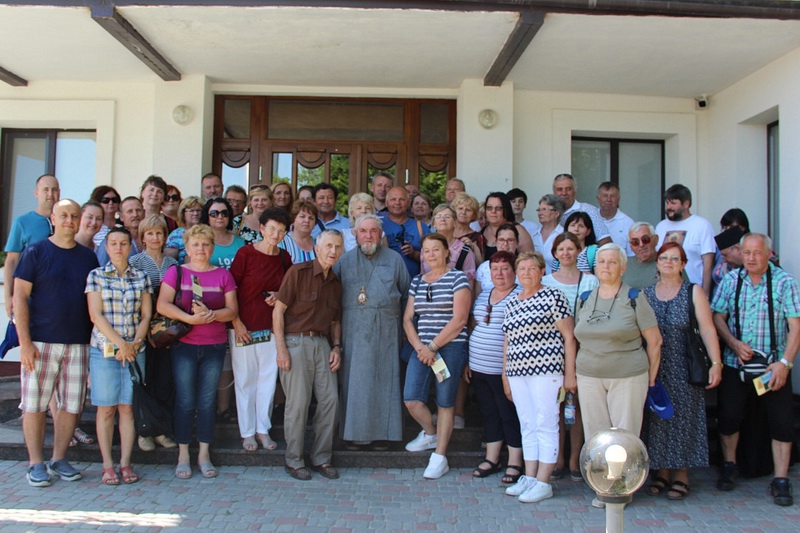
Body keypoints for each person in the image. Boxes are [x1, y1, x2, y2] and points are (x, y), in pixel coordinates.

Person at [14, 199, 99, 487]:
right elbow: (19, 297)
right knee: (34, 405)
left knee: (72, 406)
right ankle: (35, 463)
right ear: (53, 218)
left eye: (74, 216)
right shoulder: (35, 251)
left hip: (78, 343)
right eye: (63, 215)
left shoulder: (88, 258)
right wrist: (25, 343)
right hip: (40, 343)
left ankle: (59, 459)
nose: (69, 220)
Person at [711, 233, 799, 507]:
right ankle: (729, 464)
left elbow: (796, 327)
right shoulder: (731, 280)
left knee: (782, 423)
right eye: (746, 252)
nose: (750, 258)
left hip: (773, 366)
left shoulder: (784, 282)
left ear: (768, 254)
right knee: (729, 417)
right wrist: (734, 344)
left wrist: (784, 363)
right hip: (736, 363)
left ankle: (781, 479)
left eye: (757, 253)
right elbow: (718, 317)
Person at [157, 224, 238, 480]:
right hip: (185, 346)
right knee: (185, 400)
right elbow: (162, 305)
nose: (200, 249)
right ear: (187, 249)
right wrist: (189, 319)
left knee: (206, 401)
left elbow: (232, 311)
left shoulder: (223, 275)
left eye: (205, 244)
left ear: (212, 248)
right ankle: (183, 455)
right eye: (195, 245)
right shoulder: (176, 272)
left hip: (214, 346)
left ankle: (204, 454)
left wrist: (212, 314)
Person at [642, 242, 722, 500]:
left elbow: (707, 329)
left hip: (685, 365)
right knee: (658, 418)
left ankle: (682, 474)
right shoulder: (646, 294)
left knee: (685, 419)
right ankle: (662, 471)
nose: (668, 262)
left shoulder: (693, 291)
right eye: (663, 258)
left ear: (683, 264)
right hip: (656, 365)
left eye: (674, 259)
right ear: (657, 263)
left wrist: (716, 363)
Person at [500, 251, 577, 503]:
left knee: (546, 423)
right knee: (527, 424)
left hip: (547, 371)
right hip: (517, 372)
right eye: (522, 269)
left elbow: (569, 336)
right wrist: (505, 375)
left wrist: (570, 374)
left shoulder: (553, 296)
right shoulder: (512, 302)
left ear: (542, 271)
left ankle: (544, 481)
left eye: (532, 268)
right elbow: (508, 341)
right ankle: (530, 476)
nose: (526, 273)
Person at [273, 230, 345, 481]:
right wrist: (281, 349)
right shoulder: (298, 272)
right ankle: (294, 460)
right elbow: (278, 311)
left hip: (323, 344)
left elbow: (335, 321)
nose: (333, 251)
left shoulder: (336, 282)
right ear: (317, 248)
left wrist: (337, 347)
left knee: (330, 401)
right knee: (298, 403)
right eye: (328, 246)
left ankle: (321, 458)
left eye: (338, 247)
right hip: (295, 341)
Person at [334, 215, 410, 449]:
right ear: (355, 234)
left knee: (385, 381)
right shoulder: (344, 261)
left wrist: (405, 331)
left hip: (387, 331)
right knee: (355, 383)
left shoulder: (394, 260)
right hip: (353, 331)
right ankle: (355, 434)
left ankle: (384, 435)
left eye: (373, 231)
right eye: (363, 231)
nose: (368, 236)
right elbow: (332, 297)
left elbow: (407, 296)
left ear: (381, 234)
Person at [86, 227, 153, 485]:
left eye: (123, 243)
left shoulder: (141, 277)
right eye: (113, 243)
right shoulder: (96, 276)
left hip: (135, 351)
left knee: (127, 408)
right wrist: (120, 344)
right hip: (105, 352)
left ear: (130, 246)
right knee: (106, 409)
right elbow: (96, 315)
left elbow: (146, 315)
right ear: (106, 247)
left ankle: (125, 463)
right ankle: (107, 465)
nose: (118, 248)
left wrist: (134, 343)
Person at [574, 244, 662, 439]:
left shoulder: (634, 298)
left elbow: (655, 342)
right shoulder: (585, 299)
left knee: (625, 439)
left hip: (627, 377)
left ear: (623, 268)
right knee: (596, 441)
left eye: (612, 262)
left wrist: (651, 379)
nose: (606, 266)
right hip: (588, 377)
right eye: (601, 262)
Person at [402, 233, 470, 480]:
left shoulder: (458, 278)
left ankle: (440, 457)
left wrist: (433, 346)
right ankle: (431, 434)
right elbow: (408, 318)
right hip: (421, 349)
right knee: (411, 399)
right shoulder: (418, 281)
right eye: (426, 250)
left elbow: (460, 319)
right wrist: (421, 347)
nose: (430, 254)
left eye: (435, 249)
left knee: (445, 402)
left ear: (446, 252)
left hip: (449, 348)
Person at [229, 208, 293, 452]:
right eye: (272, 229)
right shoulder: (245, 253)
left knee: (267, 379)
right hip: (244, 327)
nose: (276, 235)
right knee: (245, 380)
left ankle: (262, 430)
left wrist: (279, 295)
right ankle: (247, 432)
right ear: (262, 229)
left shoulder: (284, 257)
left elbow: (290, 290)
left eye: (281, 231)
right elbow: (230, 290)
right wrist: (236, 323)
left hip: (273, 328)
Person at [542, 232, 599, 481]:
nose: (566, 253)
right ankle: (558, 459)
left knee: (577, 408)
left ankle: (575, 459)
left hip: (583, 348)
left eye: (570, 248)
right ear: (554, 253)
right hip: (552, 351)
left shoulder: (591, 281)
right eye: (561, 249)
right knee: (556, 406)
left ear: (578, 251)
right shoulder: (545, 282)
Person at [466, 251, 523, 484]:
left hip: (504, 370)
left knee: (508, 414)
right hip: (479, 367)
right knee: (489, 413)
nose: (499, 274)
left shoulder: (520, 296)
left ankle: (515, 462)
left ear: (514, 272)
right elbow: (473, 325)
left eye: (505, 268)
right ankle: (492, 458)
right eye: (495, 269)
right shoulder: (483, 295)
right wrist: (468, 361)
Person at [129, 215, 179, 452]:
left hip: (167, 329)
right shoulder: (136, 261)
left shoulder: (172, 263)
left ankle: (162, 430)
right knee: (145, 379)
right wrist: (146, 329)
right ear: (142, 237)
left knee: (164, 380)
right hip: (142, 326)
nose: (155, 237)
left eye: (159, 233)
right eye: (150, 233)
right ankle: (145, 431)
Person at [4, 174, 59, 319]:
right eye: (45, 189)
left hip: (58, 295)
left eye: (54, 190)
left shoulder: (66, 222)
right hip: (30, 296)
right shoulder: (22, 222)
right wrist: (9, 296)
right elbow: (12, 261)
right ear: (36, 193)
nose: (50, 194)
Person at [654, 184, 716, 296]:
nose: (668, 207)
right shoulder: (661, 226)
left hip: (692, 292)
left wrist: (705, 295)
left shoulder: (702, 225)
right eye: (667, 203)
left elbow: (708, 263)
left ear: (686, 204)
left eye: (673, 203)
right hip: (663, 292)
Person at [422, 204, 477, 293]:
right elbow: (422, 277)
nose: (442, 219)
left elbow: (470, 284)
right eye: (439, 217)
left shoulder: (464, 250)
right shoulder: (425, 249)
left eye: (447, 216)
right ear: (434, 223)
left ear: (455, 222)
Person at [552, 174, 612, 246]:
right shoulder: (549, 212)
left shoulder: (589, 210)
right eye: (559, 189)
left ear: (575, 190)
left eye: (568, 189)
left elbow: (605, 241)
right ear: (554, 192)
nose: (564, 193)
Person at [382, 186, 429, 277]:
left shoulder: (420, 227)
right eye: (393, 199)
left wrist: (414, 253)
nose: (397, 203)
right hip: (385, 282)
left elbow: (432, 257)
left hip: (414, 282)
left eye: (402, 199)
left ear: (408, 203)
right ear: (386, 203)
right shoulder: (378, 226)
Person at [480, 193, 534, 259]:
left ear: (506, 210)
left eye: (498, 208)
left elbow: (530, 260)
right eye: (489, 208)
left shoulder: (518, 230)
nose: (493, 211)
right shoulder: (482, 232)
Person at [96, 197, 144, 265]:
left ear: (144, 213)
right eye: (130, 211)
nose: (135, 215)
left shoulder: (153, 238)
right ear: (121, 216)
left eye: (138, 210)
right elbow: (100, 267)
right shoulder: (110, 241)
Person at [200, 198, 246, 269]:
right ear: (207, 217)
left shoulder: (240, 242)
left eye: (224, 213)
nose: (220, 217)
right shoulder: (199, 242)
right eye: (214, 213)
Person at [475, 223, 519, 294]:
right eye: (501, 240)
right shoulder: (484, 267)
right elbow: (476, 296)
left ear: (517, 243)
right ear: (496, 242)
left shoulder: (524, 267)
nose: (505, 244)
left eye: (510, 240)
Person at [531, 194, 565, 275]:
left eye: (544, 210)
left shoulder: (563, 235)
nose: (540, 213)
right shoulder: (533, 235)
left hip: (557, 279)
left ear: (557, 213)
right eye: (539, 210)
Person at [596, 182, 634, 256]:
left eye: (612, 196)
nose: (609, 199)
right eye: (605, 196)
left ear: (618, 199)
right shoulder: (591, 218)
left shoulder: (628, 224)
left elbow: (632, 255)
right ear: (598, 198)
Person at [622, 222, 661, 289]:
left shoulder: (668, 263)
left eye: (645, 239)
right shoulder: (623, 264)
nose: (641, 245)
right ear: (630, 246)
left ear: (656, 239)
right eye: (635, 242)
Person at [165, 196, 203, 263]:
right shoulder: (176, 235)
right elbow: (168, 262)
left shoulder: (208, 232)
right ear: (183, 214)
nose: (195, 213)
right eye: (191, 211)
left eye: (198, 210)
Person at [451, 192, 485, 265]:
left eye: (468, 210)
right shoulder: (446, 231)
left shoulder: (477, 237)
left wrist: (473, 247)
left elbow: (480, 264)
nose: (463, 212)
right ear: (454, 211)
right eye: (460, 208)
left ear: (474, 215)